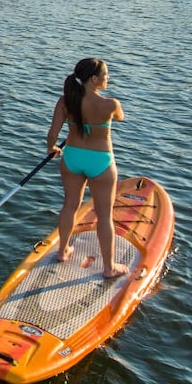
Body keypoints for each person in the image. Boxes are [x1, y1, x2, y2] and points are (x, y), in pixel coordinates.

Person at [45, 57, 129, 279]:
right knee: (104, 215)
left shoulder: (65, 101)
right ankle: (109, 268)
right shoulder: (111, 104)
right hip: (100, 162)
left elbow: (52, 135)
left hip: (72, 158)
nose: (107, 78)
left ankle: (63, 252)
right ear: (94, 79)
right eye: (105, 75)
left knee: (70, 206)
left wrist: (52, 148)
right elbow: (120, 118)